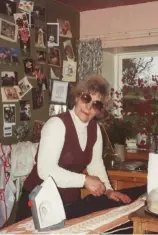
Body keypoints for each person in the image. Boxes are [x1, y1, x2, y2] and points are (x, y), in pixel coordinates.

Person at [16, 75, 146, 222]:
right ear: (77, 97)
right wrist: (84, 180)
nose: (89, 107)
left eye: (96, 104)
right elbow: (45, 170)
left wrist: (108, 190)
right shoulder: (56, 125)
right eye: (86, 98)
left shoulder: (95, 129)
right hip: (38, 204)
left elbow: (96, 166)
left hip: (69, 204)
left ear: (99, 110)